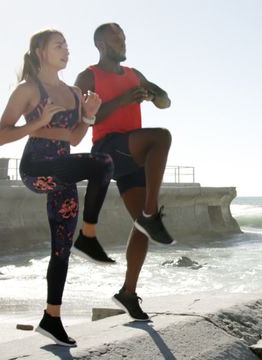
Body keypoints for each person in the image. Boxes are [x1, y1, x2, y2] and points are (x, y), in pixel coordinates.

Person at [0, 29, 115, 347]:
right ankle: (89, 238)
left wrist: (88, 116)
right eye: (58, 46)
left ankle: (52, 318)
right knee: (101, 163)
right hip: (36, 170)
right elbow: (2, 135)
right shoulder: (28, 89)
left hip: (61, 173)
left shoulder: (75, 93)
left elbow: (74, 139)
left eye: (67, 46)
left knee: (61, 250)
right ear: (39, 51)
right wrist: (36, 125)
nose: (66, 50)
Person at [75, 23, 174, 322]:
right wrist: (124, 100)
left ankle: (127, 293)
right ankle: (151, 212)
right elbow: (84, 117)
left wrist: (150, 93)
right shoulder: (88, 75)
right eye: (116, 39)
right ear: (102, 45)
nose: (123, 42)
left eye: (124, 37)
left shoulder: (133, 74)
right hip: (106, 148)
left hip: (132, 153)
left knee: (142, 227)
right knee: (162, 137)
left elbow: (166, 102)